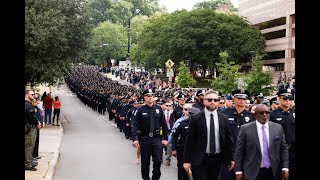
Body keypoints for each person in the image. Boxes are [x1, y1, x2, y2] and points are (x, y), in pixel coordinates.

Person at [183, 90, 234, 180]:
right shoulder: (195, 118)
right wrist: (186, 161)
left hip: (218, 158)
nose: (212, 102)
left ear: (219, 102)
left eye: (215, 100)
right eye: (209, 100)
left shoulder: (224, 118)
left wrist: (231, 158)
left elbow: (228, 140)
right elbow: (189, 140)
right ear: (204, 101)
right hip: (200, 159)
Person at [234, 104, 289, 180]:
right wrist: (238, 171)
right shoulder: (245, 129)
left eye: (267, 112)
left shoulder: (278, 128)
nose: (265, 115)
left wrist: (285, 167)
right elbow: (239, 151)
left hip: (273, 171)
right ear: (255, 115)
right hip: (252, 172)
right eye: (261, 113)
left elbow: (283, 149)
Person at [131, 89, 169, 180]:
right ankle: (146, 178)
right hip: (145, 138)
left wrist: (165, 138)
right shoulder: (140, 110)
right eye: (148, 95)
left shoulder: (158, 109)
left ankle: (155, 178)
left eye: (152, 95)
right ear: (144, 97)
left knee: (158, 160)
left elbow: (164, 124)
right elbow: (135, 125)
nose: (150, 97)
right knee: (145, 161)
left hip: (156, 138)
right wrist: (135, 138)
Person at [269, 88, 295, 180]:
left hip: (293, 150)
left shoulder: (293, 113)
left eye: (290, 98)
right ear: (279, 99)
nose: (288, 100)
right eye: (285, 98)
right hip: (278, 150)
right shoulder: (272, 115)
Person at [171, 105, 200, 180]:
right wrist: (173, 149)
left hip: (196, 151)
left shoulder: (201, 124)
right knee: (182, 171)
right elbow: (174, 136)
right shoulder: (181, 123)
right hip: (182, 150)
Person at [25, 90, 42, 171]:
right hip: (29, 128)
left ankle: (28, 161)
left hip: (28, 127)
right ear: (27, 95)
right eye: (32, 94)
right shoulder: (28, 105)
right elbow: (31, 117)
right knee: (29, 146)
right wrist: (37, 123)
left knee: (28, 145)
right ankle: (28, 164)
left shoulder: (29, 104)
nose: (34, 95)